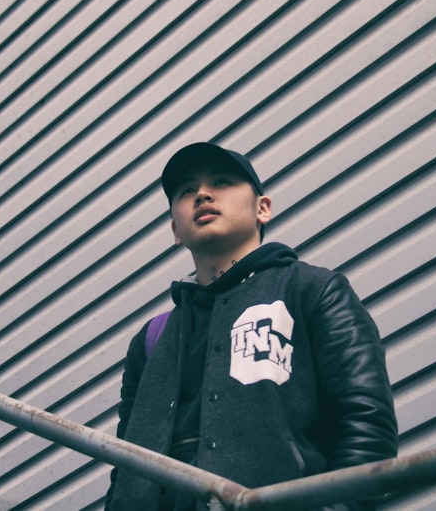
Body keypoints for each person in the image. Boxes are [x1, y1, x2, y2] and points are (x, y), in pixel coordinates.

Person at [106, 142, 398, 510]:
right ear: (175, 230)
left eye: (222, 182)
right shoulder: (150, 339)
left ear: (263, 208)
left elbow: (366, 424)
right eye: (187, 191)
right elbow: (124, 464)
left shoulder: (313, 291)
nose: (203, 195)